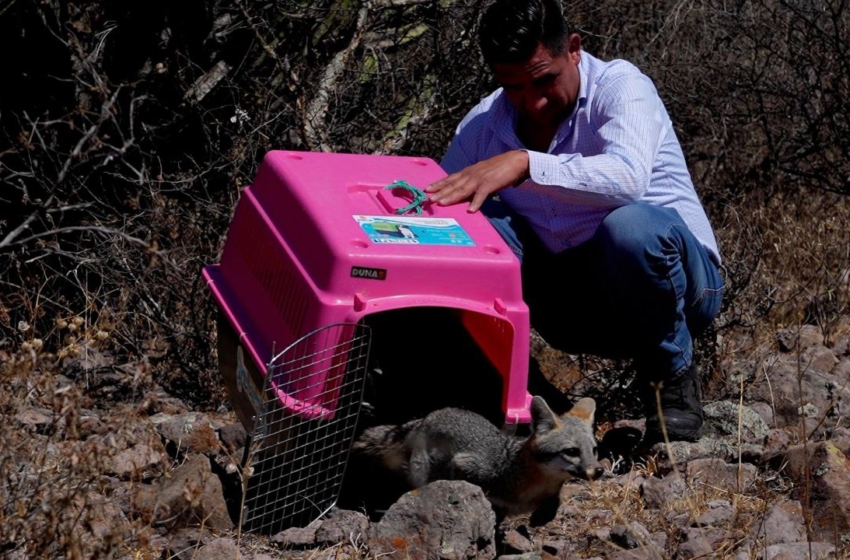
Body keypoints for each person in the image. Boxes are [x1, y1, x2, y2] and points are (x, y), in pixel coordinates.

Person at [425, 0, 724, 443]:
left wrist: (526, 163)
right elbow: (437, 200)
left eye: (545, 79)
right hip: (572, 307)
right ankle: (522, 395)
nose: (534, 101)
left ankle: (671, 386)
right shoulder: (483, 125)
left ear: (575, 49)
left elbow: (628, 177)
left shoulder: (622, 86)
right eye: (514, 87)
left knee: (630, 228)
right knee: (472, 225)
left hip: (679, 288)